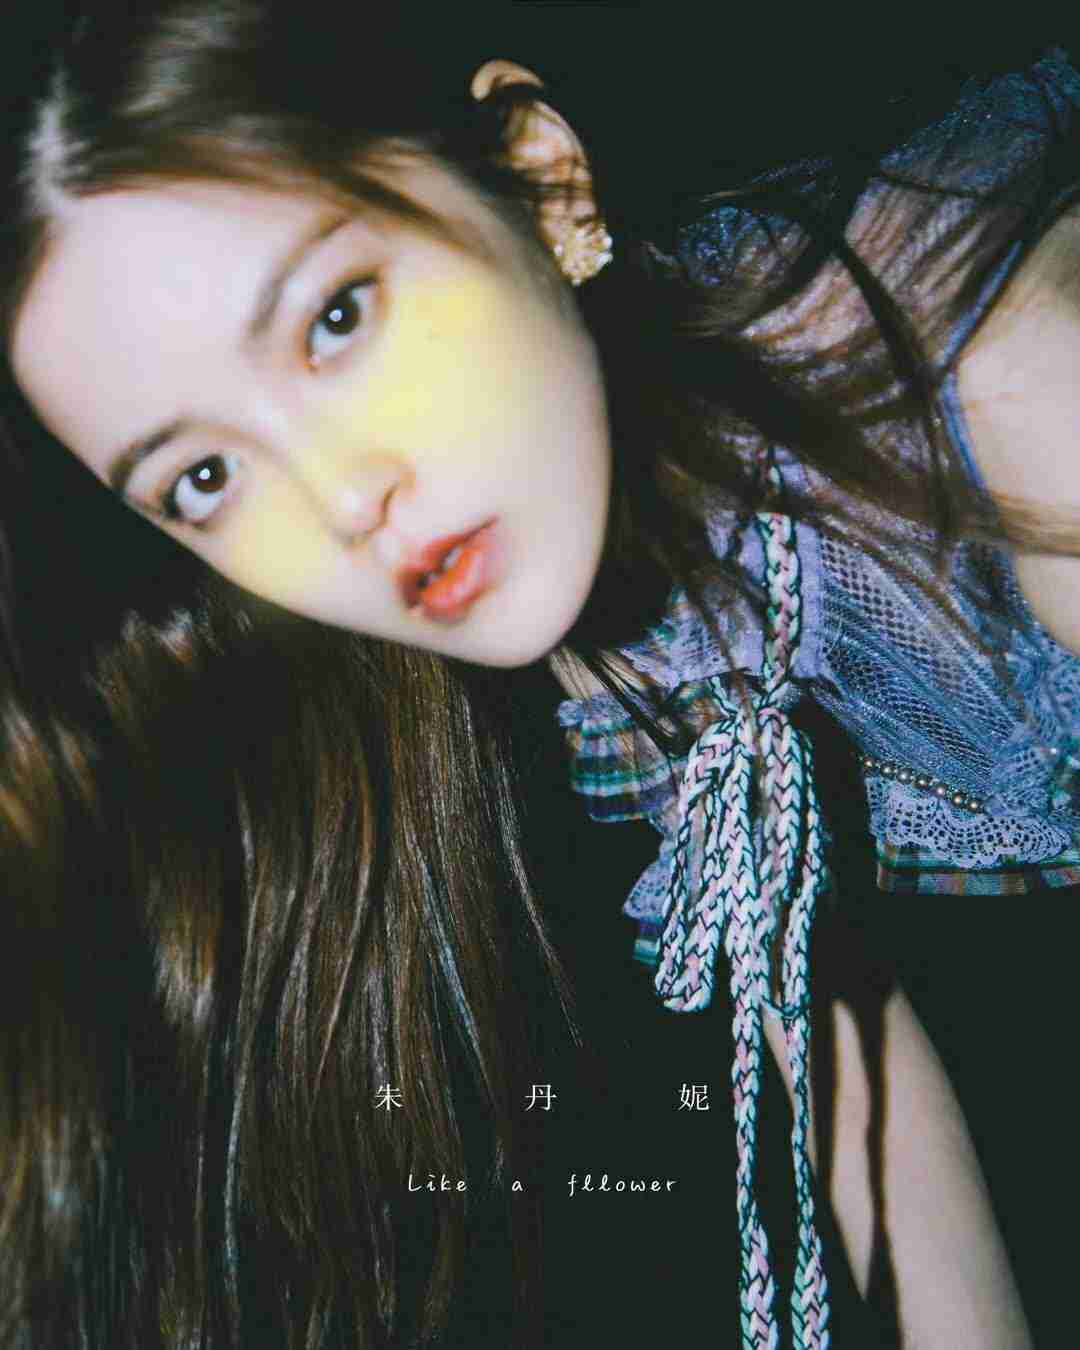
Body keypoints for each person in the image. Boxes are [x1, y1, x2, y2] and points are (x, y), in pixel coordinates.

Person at [2, 3, 1078, 1346]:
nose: (342, 501)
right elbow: (837, 1033)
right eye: (204, 475)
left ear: (538, 177)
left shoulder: (1021, 374)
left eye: (336, 317)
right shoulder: (612, 586)